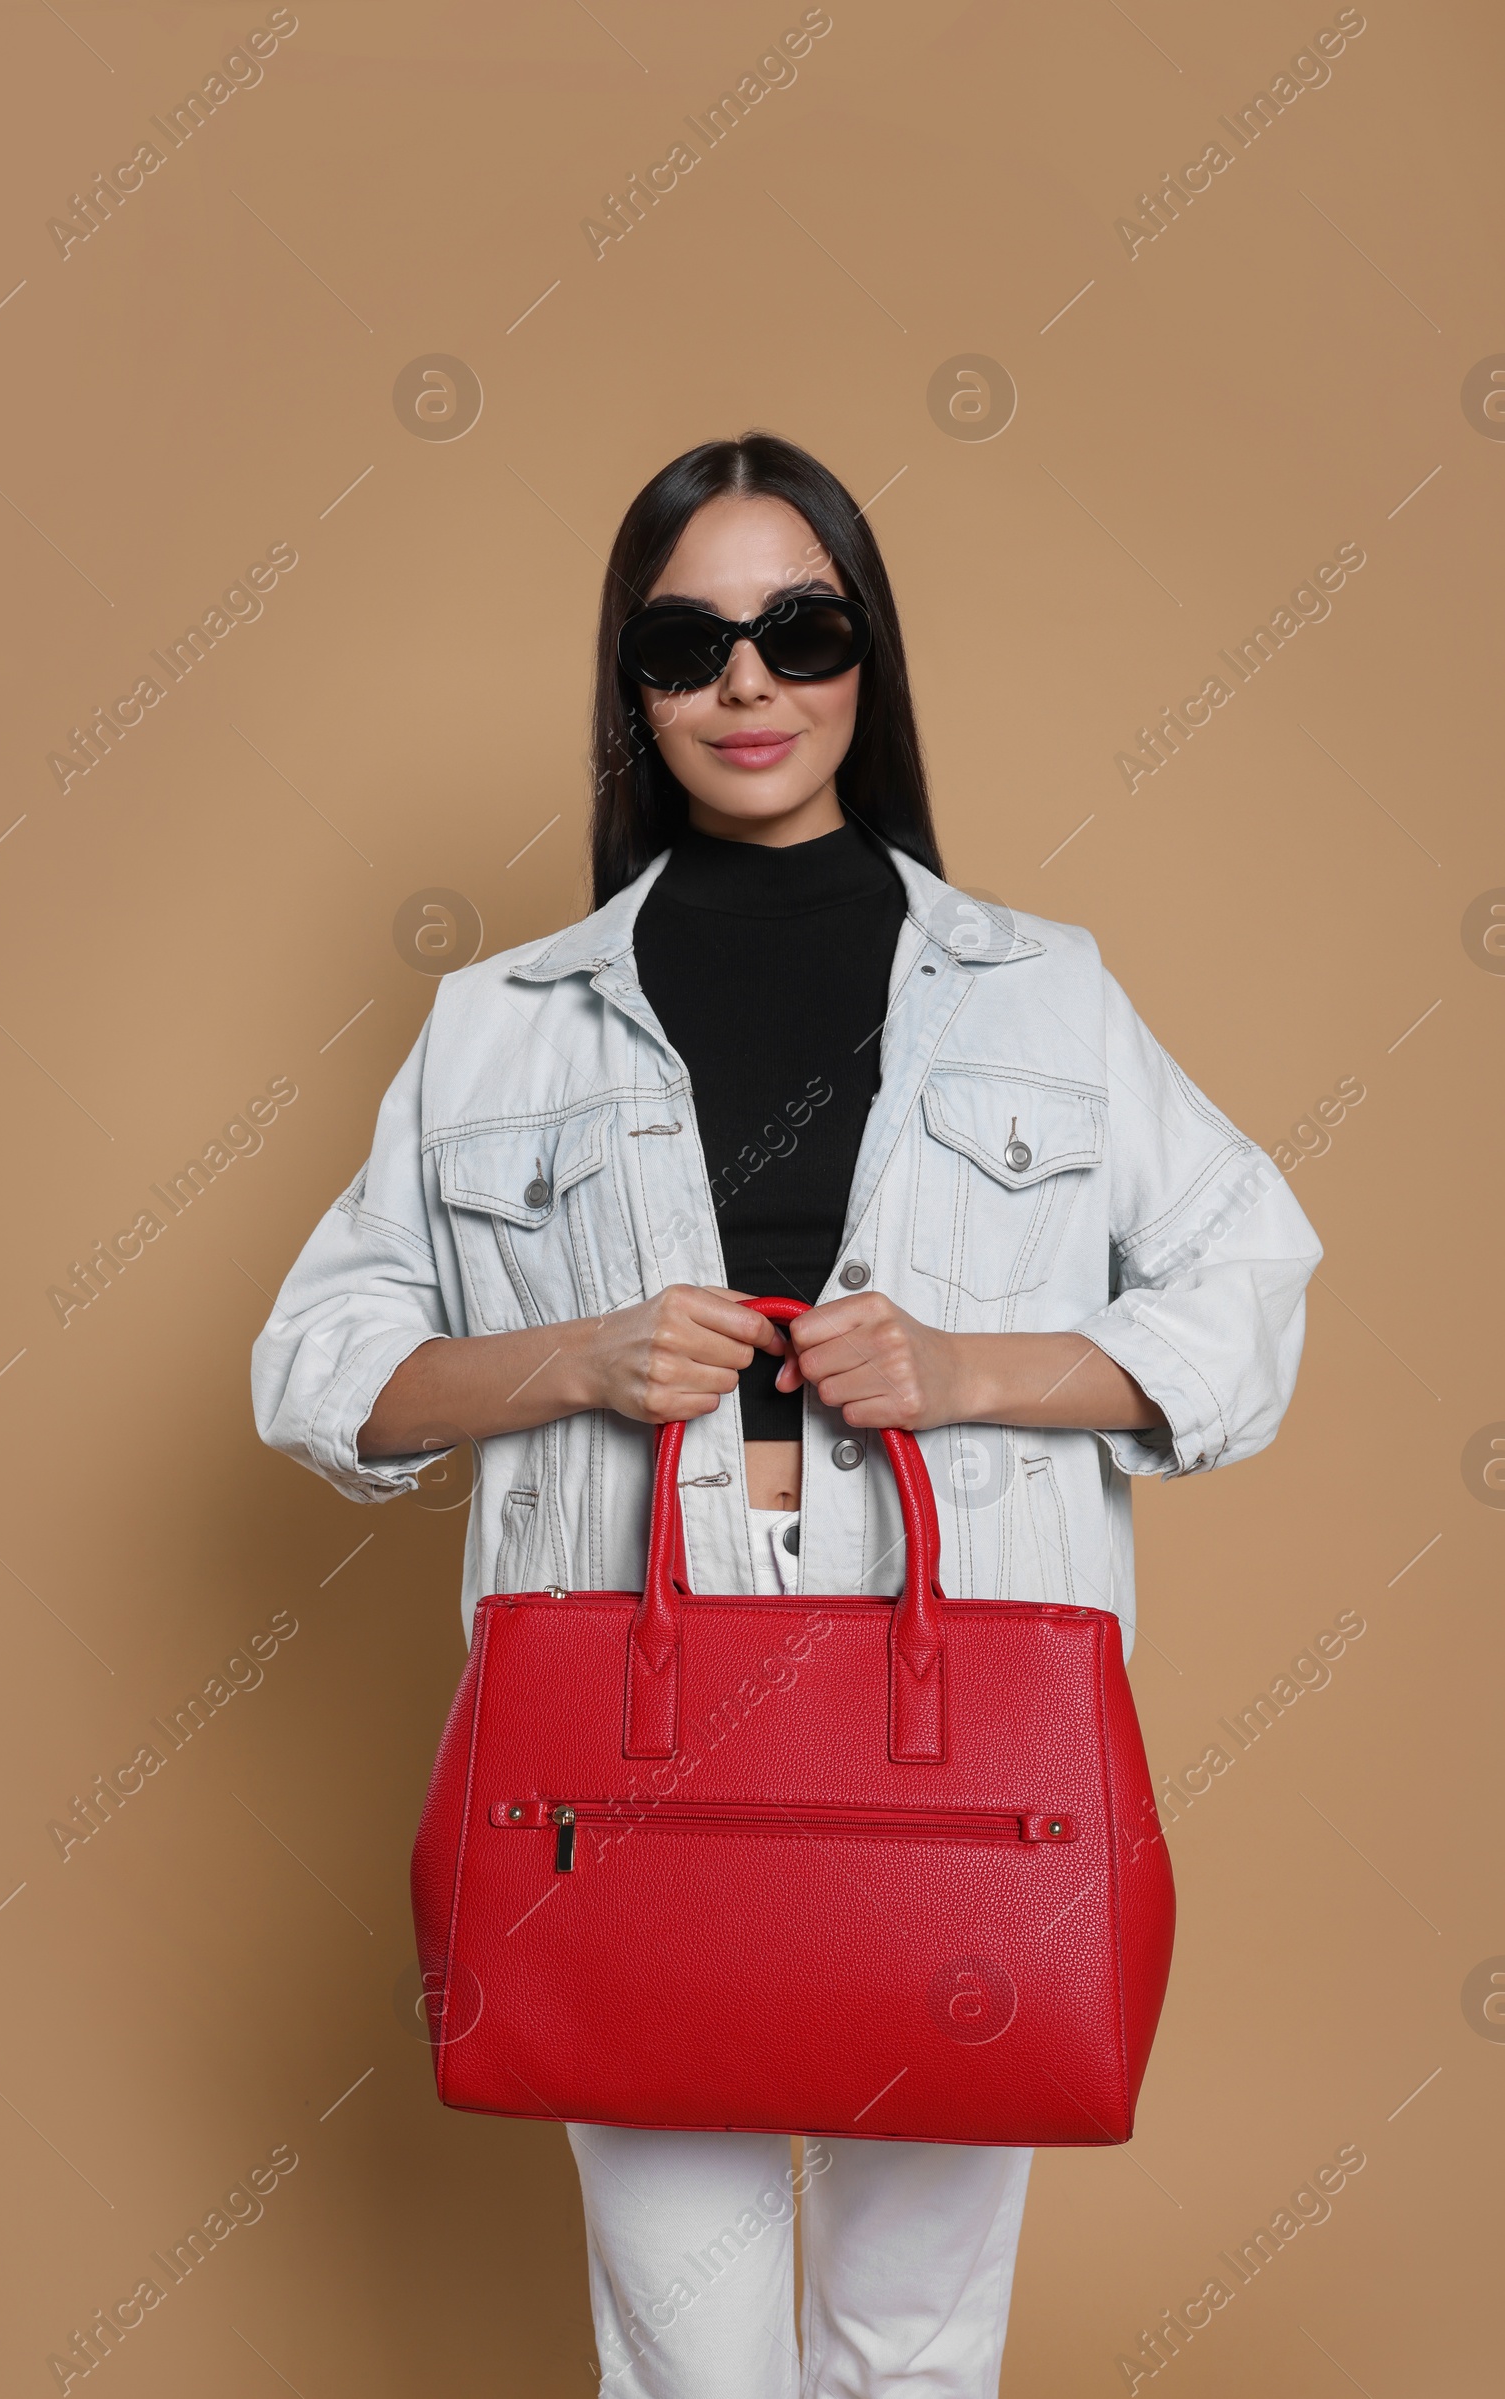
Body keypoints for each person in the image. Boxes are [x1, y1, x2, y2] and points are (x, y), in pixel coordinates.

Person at [252, 432, 1321, 2397]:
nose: (746, 683)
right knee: (686, 2344)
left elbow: (1245, 1297)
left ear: (861, 662)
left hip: (956, 1656)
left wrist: (969, 1371)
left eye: (797, 628)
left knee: (914, 2331)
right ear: (631, 685)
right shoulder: (501, 1022)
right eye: (687, 643)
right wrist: (567, 1358)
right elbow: (317, 1368)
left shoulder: (1043, 995)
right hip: (624, 1670)